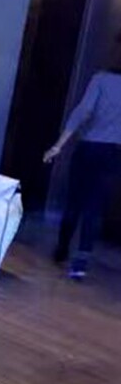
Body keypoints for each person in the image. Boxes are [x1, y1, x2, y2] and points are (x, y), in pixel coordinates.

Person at [44, 56, 121, 280]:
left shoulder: (101, 79)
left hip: (89, 146)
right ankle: (80, 263)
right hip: (115, 152)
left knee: (74, 200)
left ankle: (62, 249)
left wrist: (58, 145)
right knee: (95, 207)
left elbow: (84, 111)